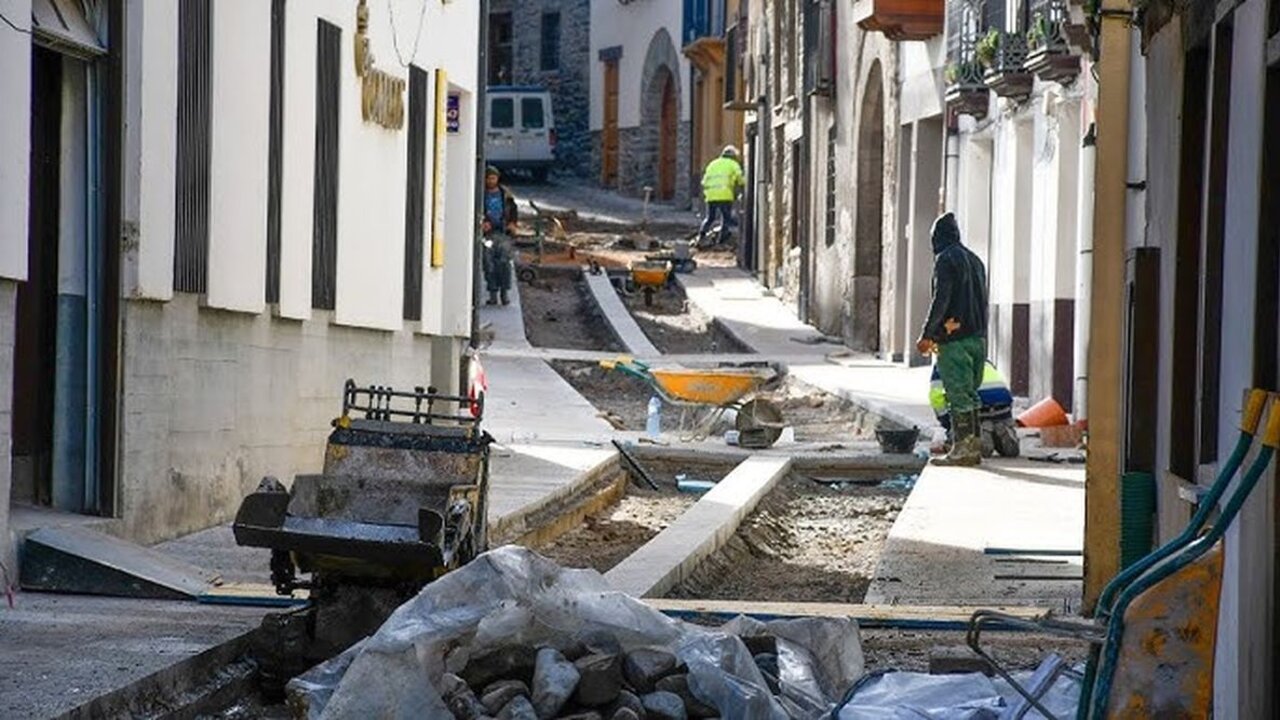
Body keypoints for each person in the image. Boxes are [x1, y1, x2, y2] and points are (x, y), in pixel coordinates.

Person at [917, 212, 989, 467]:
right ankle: (973, 446)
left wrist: (928, 334)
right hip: (978, 339)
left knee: (957, 394)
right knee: (971, 393)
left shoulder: (946, 260)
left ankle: (963, 450)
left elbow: (941, 299)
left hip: (954, 339)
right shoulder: (976, 260)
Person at [929, 360, 1020, 458]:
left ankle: (983, 435)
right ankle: (1001, 428)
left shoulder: (942, 363)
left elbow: (936, 397)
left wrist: (948, 423)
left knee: (963, 440)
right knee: (998, 424)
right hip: (1003, 404)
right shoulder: (983, 360)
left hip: (978, 408)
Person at [480, 166, 519, 306]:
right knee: (488, 262)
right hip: (487, 235)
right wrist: (482, 223)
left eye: (493, 178)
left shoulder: (505, 194)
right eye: (488, 178)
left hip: (503, 234)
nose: (490, 181)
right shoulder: (480, 194)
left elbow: (513, 210)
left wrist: (512, 224)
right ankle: (492, 293)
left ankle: (504, 292)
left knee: (504, 262)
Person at [697, 146, 745, 247]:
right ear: (733, 156)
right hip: (725, 194)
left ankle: (701, 236)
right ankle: (722, 240)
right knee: (726, 218)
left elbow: (704, 181)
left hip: (710, 196)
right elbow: (740, 179)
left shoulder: (713, 163)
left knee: (710, 217)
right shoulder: (733, 164)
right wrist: (743, 186)